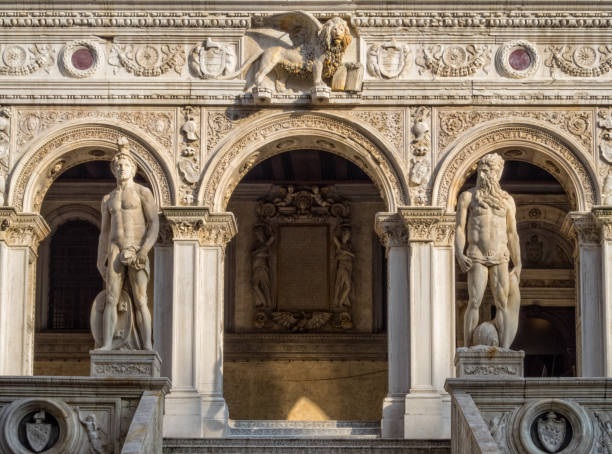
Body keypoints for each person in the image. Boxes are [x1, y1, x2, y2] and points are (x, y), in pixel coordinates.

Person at [96, 137, 158, 351]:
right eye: (118, 165)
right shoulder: (107, 199)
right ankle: (106, 344)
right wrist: (100, 258)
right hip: (115, 249)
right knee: (111, 299)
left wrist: (144, 250)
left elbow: (154, 224)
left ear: (133, 168)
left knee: (141, 300)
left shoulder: (143, 193)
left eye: (126, 165)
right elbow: (104, 232)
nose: (122, 168)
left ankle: (148, 346)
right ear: (113, 170)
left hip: (136, 249)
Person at [455, 153, 521, 348]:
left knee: (502, 304)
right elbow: (459, 227)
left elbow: (512, 233)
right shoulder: (468, 197)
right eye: (484, 169)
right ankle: (466, 349)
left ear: (499, 173)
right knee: (474, 301)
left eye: (492, 170)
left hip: (500, 255)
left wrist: (518, 263)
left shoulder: (507, 200)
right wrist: (459, 252)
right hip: (477, 255)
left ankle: (505, 349)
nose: (488, 174)